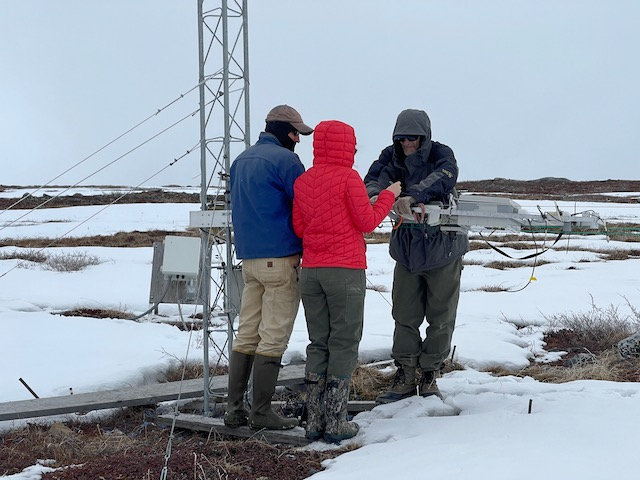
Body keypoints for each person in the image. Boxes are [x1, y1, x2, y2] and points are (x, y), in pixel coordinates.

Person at [292, 119, 402, 442]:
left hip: (311, 271)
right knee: (344, 342)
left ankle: (314, 419)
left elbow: (299, 228)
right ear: (346, 146)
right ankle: (336, 421)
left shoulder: (303, 181)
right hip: (345, 271)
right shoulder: (349, 178)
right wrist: (388, 195)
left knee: (319, 342)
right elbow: (367, 222)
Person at [364, 108, 469, 404]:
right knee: (404, 315)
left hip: (443, 250)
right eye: (402, 138)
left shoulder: (441, 154)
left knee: (441, 317)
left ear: (424, 137)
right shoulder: (390, 156)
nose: (407, 143)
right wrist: (377, 196)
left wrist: (414, 196)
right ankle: (406, 374)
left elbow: (444, 175)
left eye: (413, 138)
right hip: (407, 251)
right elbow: (373, 178)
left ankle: (430, 373)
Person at [225, 104, 313, 430]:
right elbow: (305, 204)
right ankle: (261, 411)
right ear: (281, 131)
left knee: (246, 333)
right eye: (295, 133)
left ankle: (234, 409)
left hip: (249, 260)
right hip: (281, 259)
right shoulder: (287, 161)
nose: (298, 141)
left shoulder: (241, 160)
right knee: (273, 338)